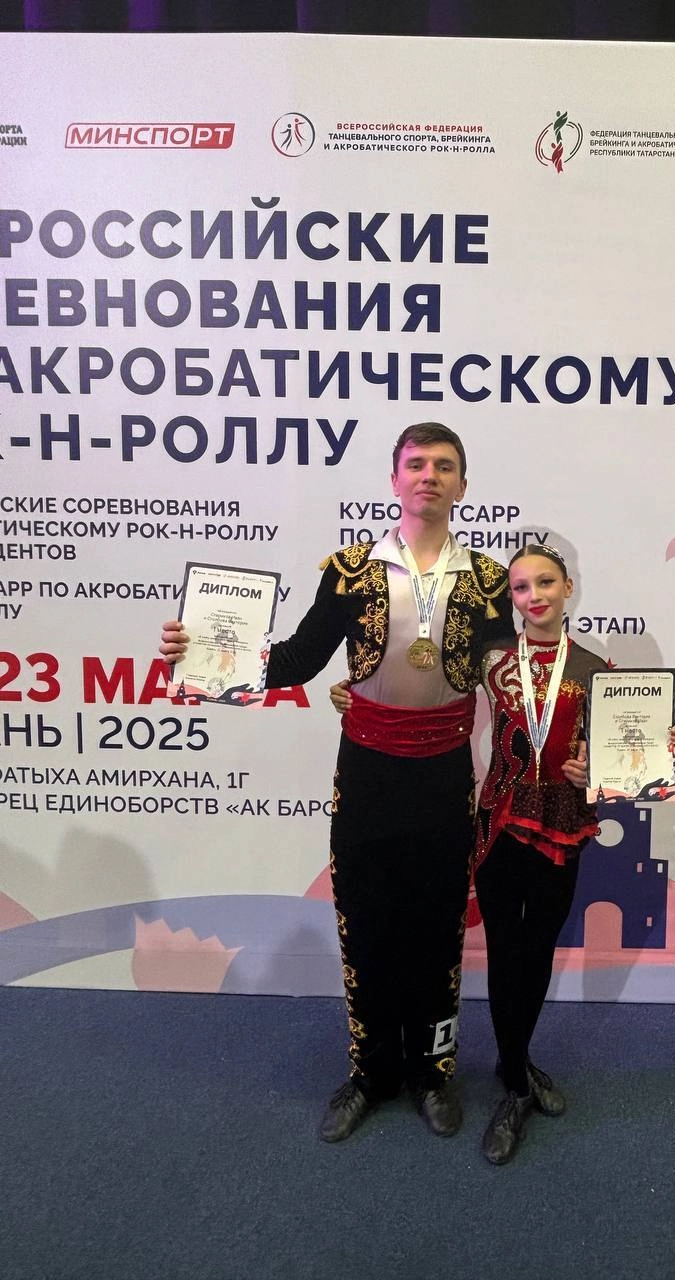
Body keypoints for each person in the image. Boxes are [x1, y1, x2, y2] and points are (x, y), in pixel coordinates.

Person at [159, 422, 513, 1142]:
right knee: (367, 924)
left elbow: (517, 677)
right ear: (394, 481)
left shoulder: (488, 580)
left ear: (463, 486)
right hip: (368, 773)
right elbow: (297, 658)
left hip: (445, 774)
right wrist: (200, 654)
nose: (430, 476)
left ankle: (434, 1073)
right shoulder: (349, 571)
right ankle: (371, 1073)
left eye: (445, 466)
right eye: (416, 464)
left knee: (438, 929)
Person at [333, 545, 675, 1162]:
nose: (535, 596)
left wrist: (670, 750)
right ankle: (518, 1085)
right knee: (505, 950)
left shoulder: (597, 670)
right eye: (522, 587)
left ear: (568, 587)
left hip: (563, 824)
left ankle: (514, 1063)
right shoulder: (489, 656)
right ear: (512, 599)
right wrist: (357, 688)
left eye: (546, 583)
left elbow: (626, 747)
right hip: (498, 823)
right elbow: (420, 676)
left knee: (538, 950)